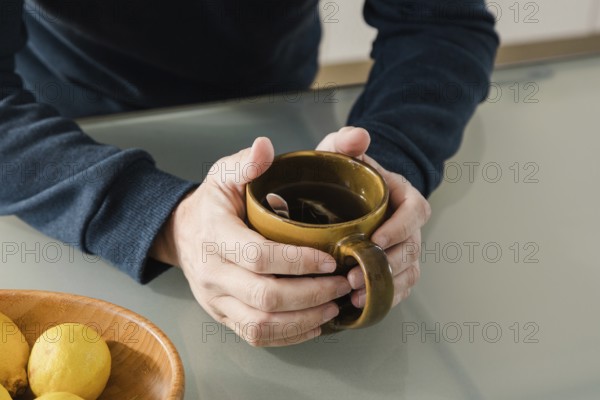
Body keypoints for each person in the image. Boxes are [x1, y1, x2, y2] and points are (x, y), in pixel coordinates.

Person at [0, 0, 498, 346]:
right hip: (64, 132)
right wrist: (162, 219)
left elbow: (441, 22)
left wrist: (389, 159)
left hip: (275, 105)